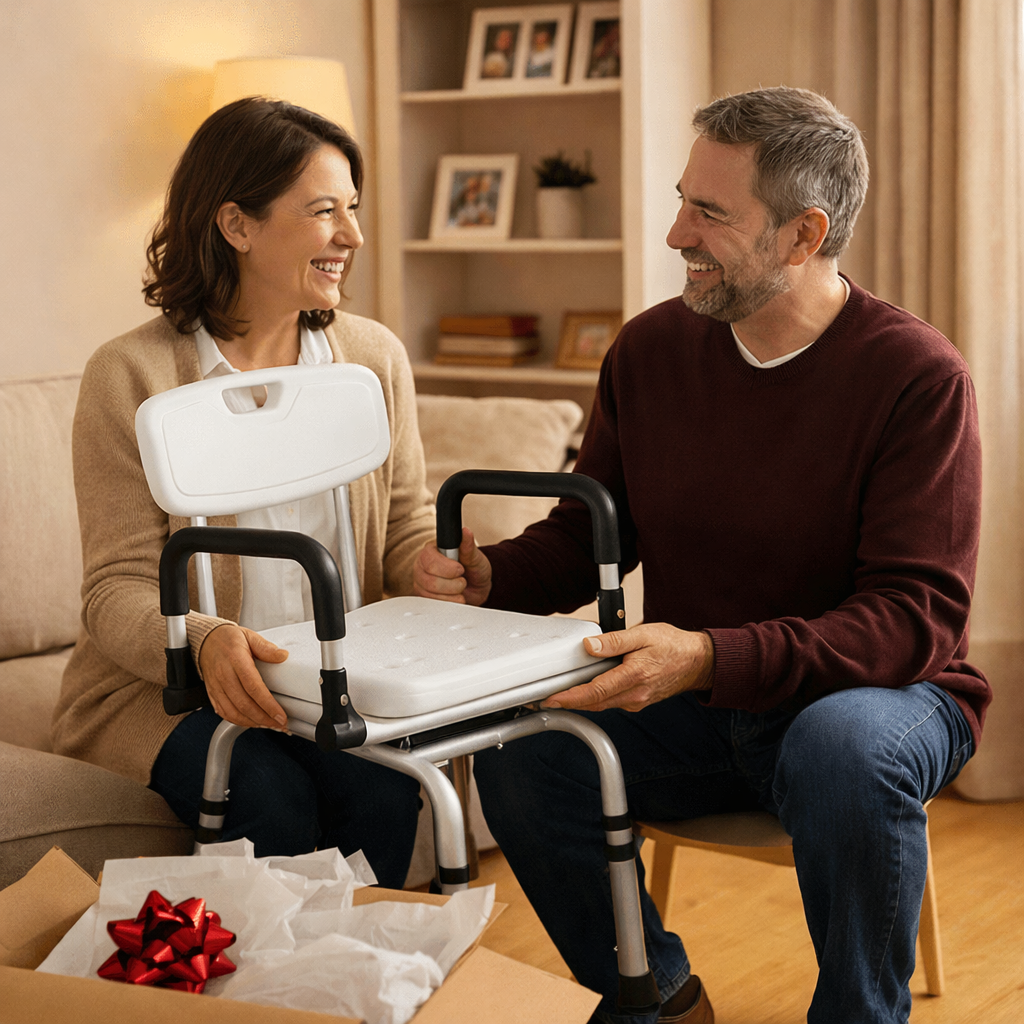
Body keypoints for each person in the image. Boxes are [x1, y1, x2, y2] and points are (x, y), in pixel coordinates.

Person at [413, 86, 992, 1024]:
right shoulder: (646, 352)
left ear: (804, 237)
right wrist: (495, 577)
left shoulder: (916, 378)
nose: (676, 232)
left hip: (884, 699)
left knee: (842, 748)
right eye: (683, 200)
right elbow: (591, 536)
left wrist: (710, 656)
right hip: (696, 698)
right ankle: (656, 999)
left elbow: (912, 623)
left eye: (710, 213)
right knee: (526, 747)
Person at [52, 97, 436, 888]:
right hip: (174, 698)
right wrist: (202, 638)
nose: (353, 237)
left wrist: (436, 566)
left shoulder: (371, 360)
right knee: (265, 787)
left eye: (353, 210)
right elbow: (115, 589)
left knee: (384, 783)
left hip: (334, 678)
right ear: (237, 224)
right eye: (325, 211)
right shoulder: (131, 375)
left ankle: (366, 992)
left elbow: (403, 526)